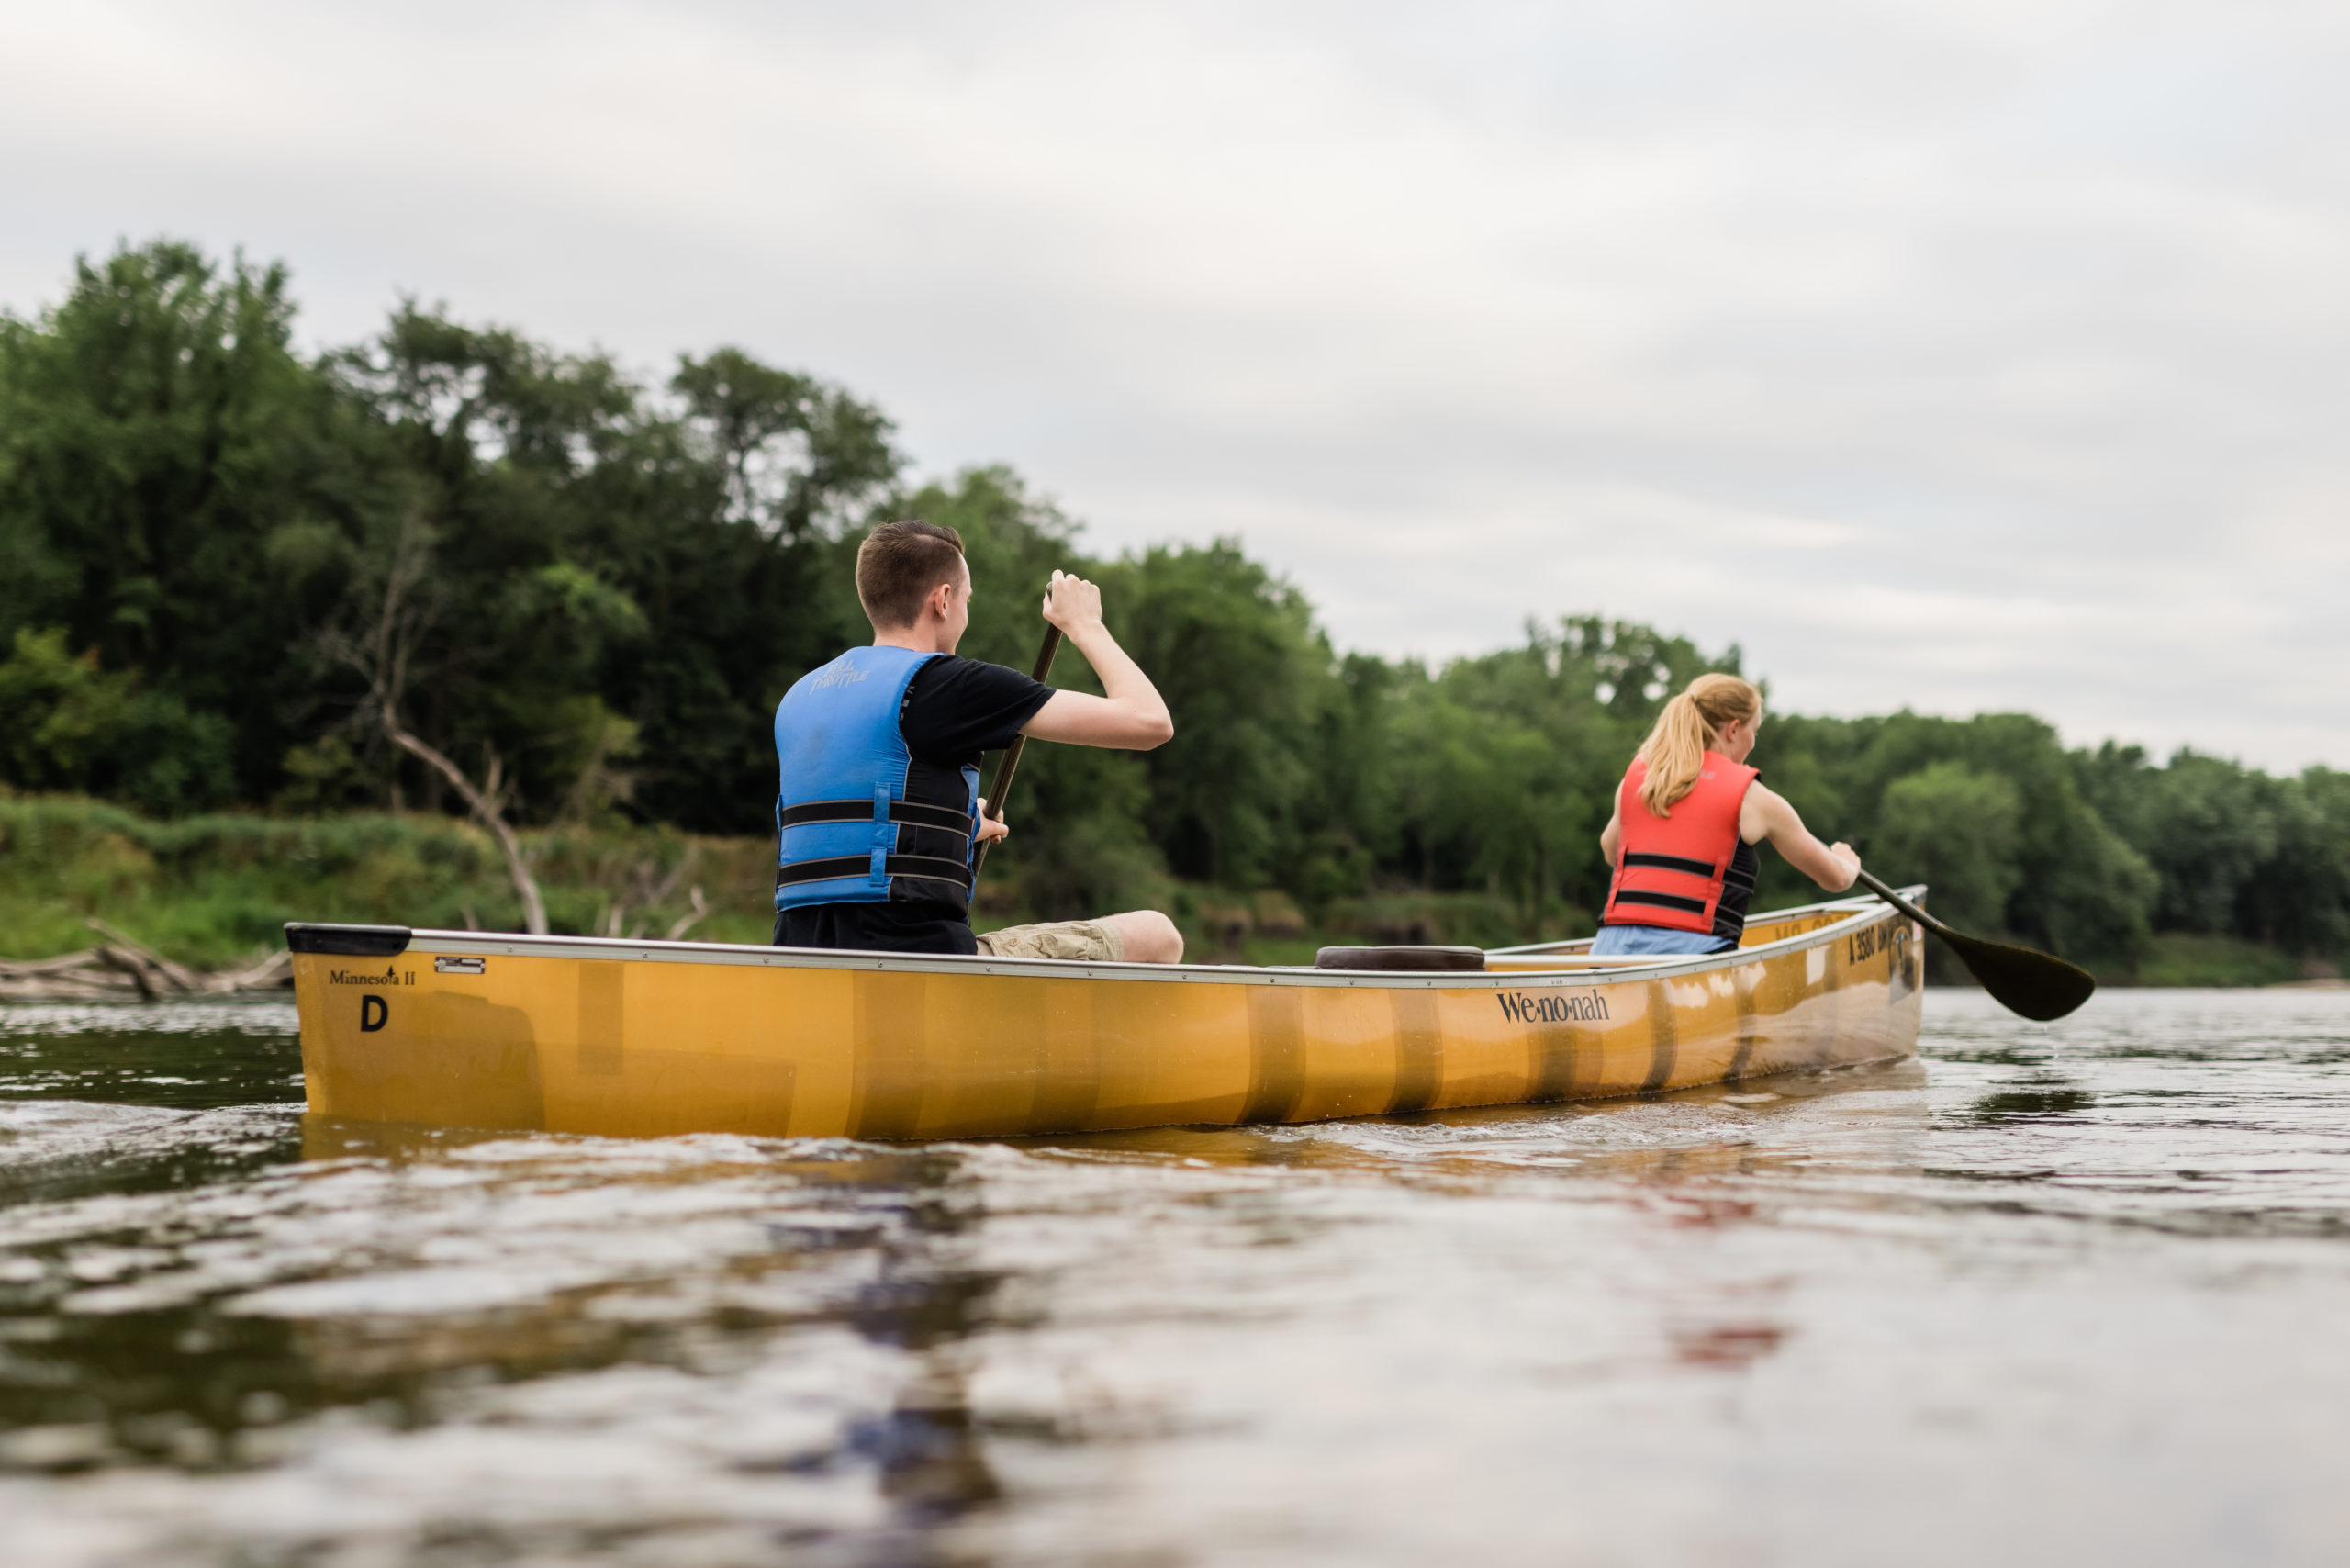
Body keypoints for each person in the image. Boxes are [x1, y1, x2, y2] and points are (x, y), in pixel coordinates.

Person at [771, 520, 1184, 963]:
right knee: (1158, 936)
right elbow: (1149, 722)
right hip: (919, 960)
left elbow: (852, 830)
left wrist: (959, 825)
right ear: (943, 600)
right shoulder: (946, 684)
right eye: (967, 600)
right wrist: (1085, 624)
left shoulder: (801, 697)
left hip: (802, 960)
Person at [1592, 673, 1860, 957]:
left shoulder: (1640, 781)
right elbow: (1835, 879)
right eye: (1754, 730)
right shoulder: (1754, 800)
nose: (1753, 741)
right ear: (1733, 729)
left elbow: (1611, 853)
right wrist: (1847, 862)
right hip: (1691, 959)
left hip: (1611, 956)